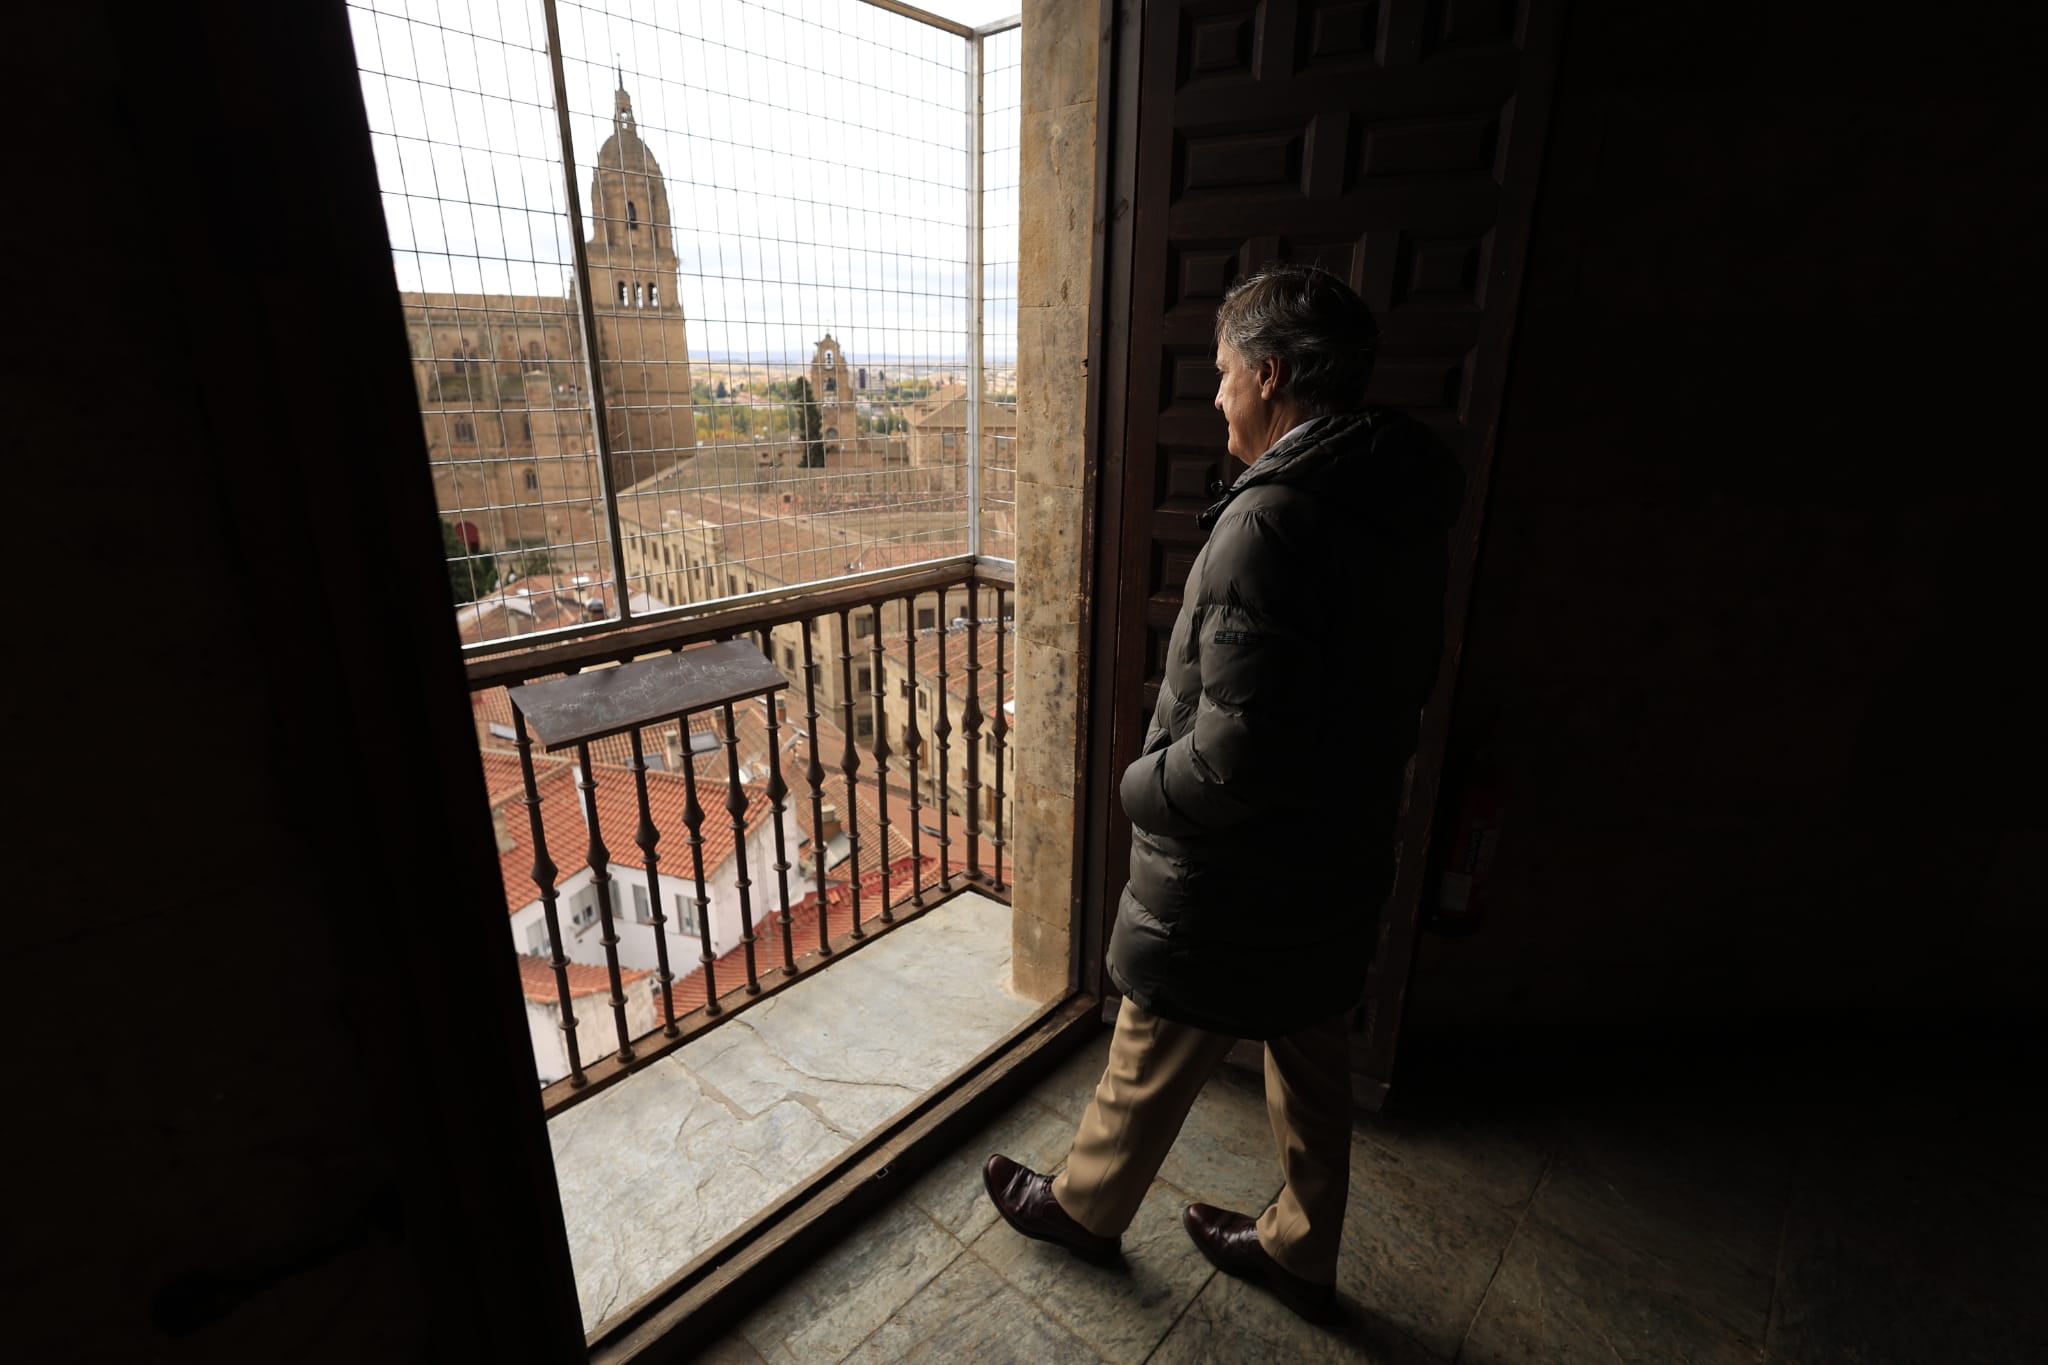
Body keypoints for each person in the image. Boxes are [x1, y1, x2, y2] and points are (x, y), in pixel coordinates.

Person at [983, 262, 1462, 1321]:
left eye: (1221, 373)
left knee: (1156, 1029)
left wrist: (1138, 786)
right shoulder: (1396, 503)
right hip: (1339, 839)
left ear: (1270, 374)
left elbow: (1236, 753)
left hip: (1243, 862)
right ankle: (1300, 1245)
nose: (1214, 396)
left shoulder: (1272, 519)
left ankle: (1084, 1207)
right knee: (1311, 1041)